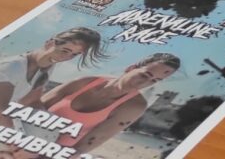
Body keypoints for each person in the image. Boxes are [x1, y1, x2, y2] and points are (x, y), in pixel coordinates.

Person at [0, 28, 107, 159]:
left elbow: (31, 102)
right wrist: (22, 143)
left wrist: (48, 137)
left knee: (47, 127)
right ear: (50, 43)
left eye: (74, 54)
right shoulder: (13, 66)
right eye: (65, 50)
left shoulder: (46, 67)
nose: (66, 57)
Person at [39, 52, 180, 154]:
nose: (144, 83)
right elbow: (36, 106)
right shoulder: (85, 82)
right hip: (30, 136)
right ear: (131, 68)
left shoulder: (133, 106)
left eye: (154, 81)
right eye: (144, 75)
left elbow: (88, 144)